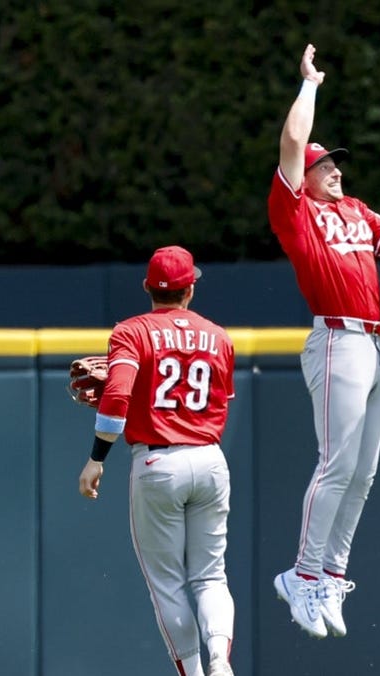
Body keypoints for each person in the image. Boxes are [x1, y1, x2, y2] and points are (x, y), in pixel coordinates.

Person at [267, 43, 380, 639]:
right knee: (337, 463)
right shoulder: (296, 212)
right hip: (337, 341)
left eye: (336, 164)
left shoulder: (355, 212)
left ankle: (331, 574)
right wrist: (310, 86)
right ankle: (302, 575)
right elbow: (294, 144)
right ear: (306, 178)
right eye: (326, 166)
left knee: (364, 470)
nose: (335, 169)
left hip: (374, 344)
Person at [78, 245, 237, 676]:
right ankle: (221, 659)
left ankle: (193, 673)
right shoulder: (219, 336)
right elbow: (218, 400)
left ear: (147, 287)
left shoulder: (131, 332)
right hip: (209, 459)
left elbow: (116, 398)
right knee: (210, 577)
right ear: (190, 289)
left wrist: (97, 458)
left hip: (158, 463)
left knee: (168, 585)